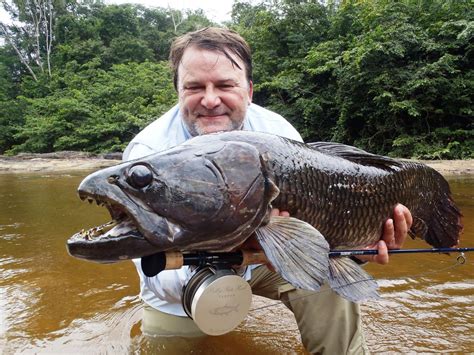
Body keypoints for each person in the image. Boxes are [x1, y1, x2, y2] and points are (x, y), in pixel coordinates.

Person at [122, 27, 413, 354]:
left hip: (271, 257)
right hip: (185, 281)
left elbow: (318, 223)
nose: (210, 99)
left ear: (248, 90)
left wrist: (355, 250)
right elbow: (155, 273)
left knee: (332, 285)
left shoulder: (277, 132)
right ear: (177, 91)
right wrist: (222, 264)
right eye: (194, 87)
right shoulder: (147, 157)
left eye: (224, 85)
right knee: (163, 346)